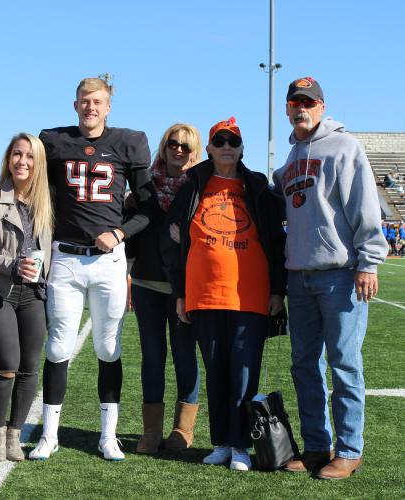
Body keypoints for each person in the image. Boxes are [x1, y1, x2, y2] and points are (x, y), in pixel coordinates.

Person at [29, 77, 154, 461]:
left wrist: (118, 232)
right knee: (58, 345)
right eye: (84, 101)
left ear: (109, 105)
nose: (91, 107)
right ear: (75, 105)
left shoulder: (128, 142)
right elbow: (33, 190)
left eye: (97, 101)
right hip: (65, 257)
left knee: (108, 346)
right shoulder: (53, 141)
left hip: (108, 262)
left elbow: (148, 208)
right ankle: (49, 435)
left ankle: (108, 435)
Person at [273, 77, 388, 480]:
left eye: (309, 101)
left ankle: (350, 449)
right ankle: (317, 446)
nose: (301, 107)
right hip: (298, 276)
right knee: (304, 365)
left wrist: (368, 262)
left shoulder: (344, 146)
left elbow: (364, 205)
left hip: (340, 275)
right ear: (287, 108)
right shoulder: (288, 159)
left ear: (321, 107)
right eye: (295, 101)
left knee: (344, 365)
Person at [161, 117, 286, 471]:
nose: (227, 146)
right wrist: (182, 293)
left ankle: (242, 445)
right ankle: (221, 442)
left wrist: (278, 289)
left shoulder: (258, 186)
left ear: (242, 148)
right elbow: (172, 240)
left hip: (251, 295)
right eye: (220, 141)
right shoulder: (194, 184)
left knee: (244, 374)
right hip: (204, 294)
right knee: (216, 371)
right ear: (211, 148)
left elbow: (277, 241)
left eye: (233, 141)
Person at [0, 133, 53, 461]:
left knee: (30, 367)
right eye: (17, 155)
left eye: (30, 156)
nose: (23, 161)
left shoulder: (46, 201)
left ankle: (14, 433)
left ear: (38, 163)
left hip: (34, 294)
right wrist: (13, 265)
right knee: (8, 363)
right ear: (9, 159)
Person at [126, 124, 202, 454]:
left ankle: (183, 429)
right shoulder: (144, 187)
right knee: (152, 359)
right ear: (164, 146)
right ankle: (151, 431)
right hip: (145, 283)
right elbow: (131, 235)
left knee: (185, 357)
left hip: (184, 288)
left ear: (195, 151)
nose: (179, 149)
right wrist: (126, 274)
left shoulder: (202, 188)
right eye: (173, 143)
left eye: (186, 145)